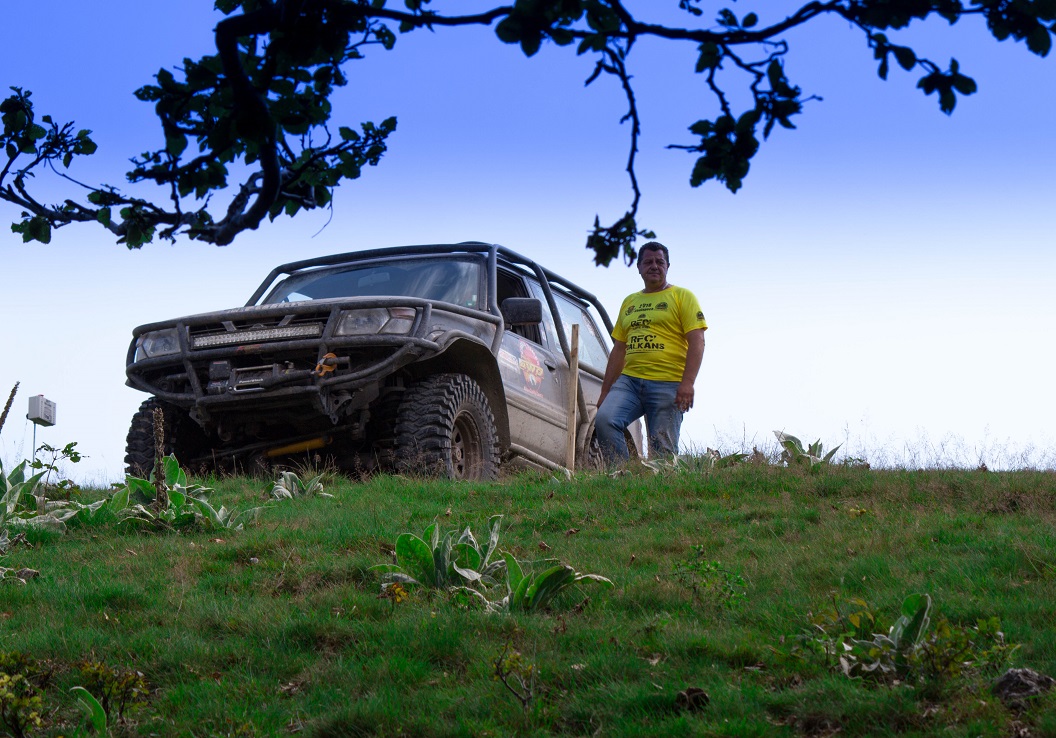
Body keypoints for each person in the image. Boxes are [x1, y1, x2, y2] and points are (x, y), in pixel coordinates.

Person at [595, 242, 707, 463]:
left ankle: (660, 483)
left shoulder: (682, 296)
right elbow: (619, 349)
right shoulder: (630, 302)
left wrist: (688, 383)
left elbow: (698, 341)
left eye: (659, 262)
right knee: (605, 420)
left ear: (667, 266)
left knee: (662, 454)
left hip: (668, 382)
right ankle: (622, 475)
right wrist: (605, 391)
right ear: (639, 267)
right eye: (648, 262)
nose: (654, 266)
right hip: (630, 382)